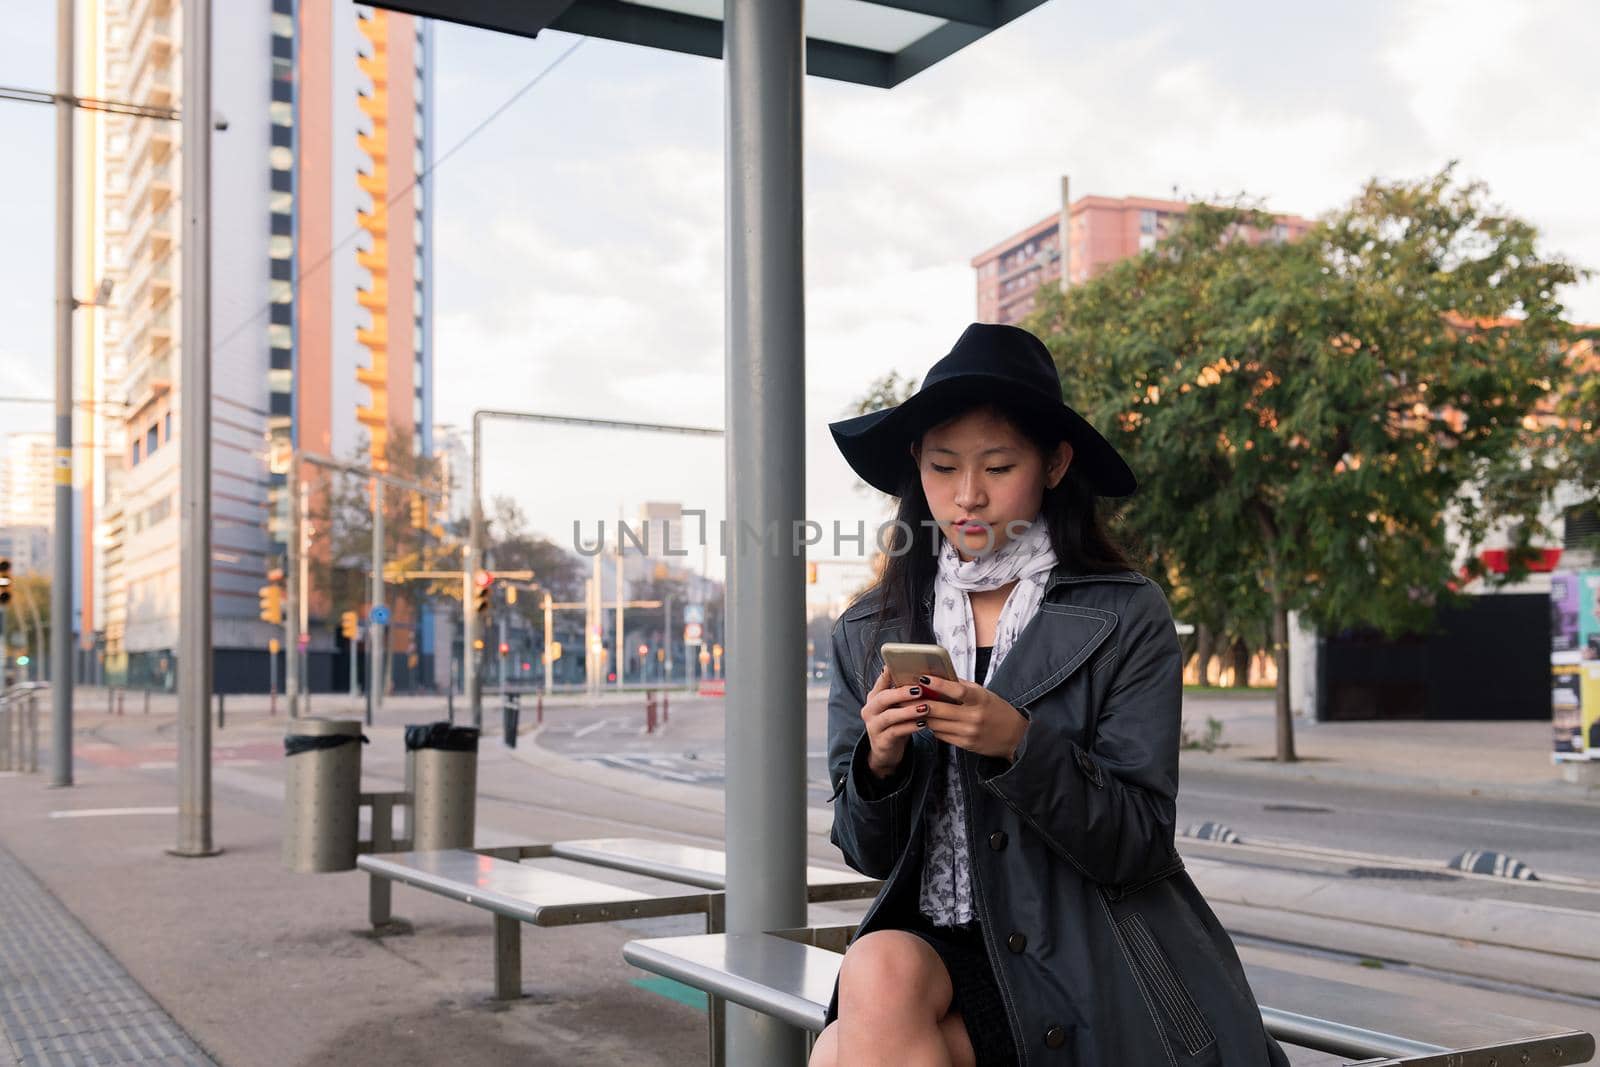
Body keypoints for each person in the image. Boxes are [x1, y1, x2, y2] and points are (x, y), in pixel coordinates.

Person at [812, 323, 1289, 1066]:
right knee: (875, 964)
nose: (967, 495)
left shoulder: (1127, 613)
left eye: (998, 466)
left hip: (1083, 953)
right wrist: (879, 761)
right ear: (916, 467)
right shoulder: (868, 630)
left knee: (841, 1046)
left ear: (1056, 463)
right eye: (942, 467)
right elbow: (866, 854)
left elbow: (1138, 840)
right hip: (938, 952)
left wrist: (1018, 744)